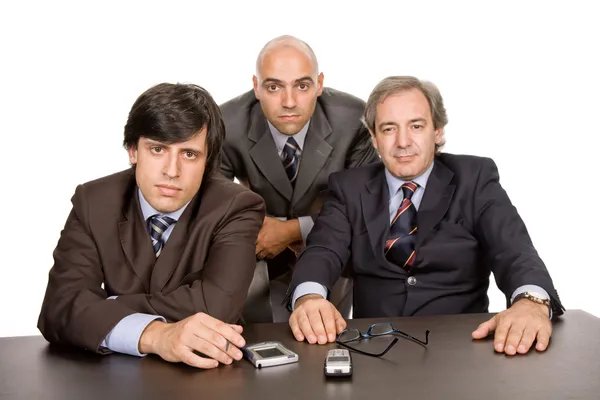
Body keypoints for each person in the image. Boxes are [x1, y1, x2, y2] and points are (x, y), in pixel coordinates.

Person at [287, 76, 564, 356]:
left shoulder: (475, 178)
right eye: (389, 129)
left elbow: (514, 250)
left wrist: (530, 301)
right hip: (374, 350)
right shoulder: (349, 187)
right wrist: (309, 297)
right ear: (374, 138)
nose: (403, 142)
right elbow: (323, 249)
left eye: (416, 126)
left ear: (438, 131)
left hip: (463, 350)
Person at [38, 83, 266, 369]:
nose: (172, 171)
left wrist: (103, 307)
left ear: (208, 162)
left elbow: (217, 307)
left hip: (208, 372)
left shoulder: (238, 206)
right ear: (133, 151)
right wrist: (155, 335)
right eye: (158, 149)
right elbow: (58, 308)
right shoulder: (93, 201)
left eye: (189, 154)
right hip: (109, 375)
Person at [219, 35, 379, 322]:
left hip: (333, 240)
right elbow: (211, 208)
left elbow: (365, 211)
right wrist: (257, 229)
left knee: (325, 337)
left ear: (319, 84)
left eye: (302, 86)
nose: (289, 102)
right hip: (259, 246)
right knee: (260, 340)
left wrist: (294, 230)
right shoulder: (225, 124)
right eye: (273, 87)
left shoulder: (355, 119)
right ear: (256, 87)